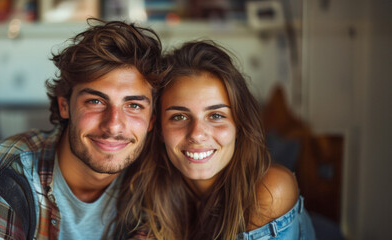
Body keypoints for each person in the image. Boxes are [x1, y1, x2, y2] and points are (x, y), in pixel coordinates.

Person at [0, 18, 164, 239]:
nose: (113, 125)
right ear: (65, 106)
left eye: (133, 106)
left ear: (151, 120)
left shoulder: (157, 178)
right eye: (95, 101)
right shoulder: (5, 173)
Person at [108, 41, 316, 240]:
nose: (197, 134)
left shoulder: (270, 190)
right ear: (160, 128)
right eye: (179, 117)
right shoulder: (146, 184)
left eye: (216, 116)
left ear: (239, 125)